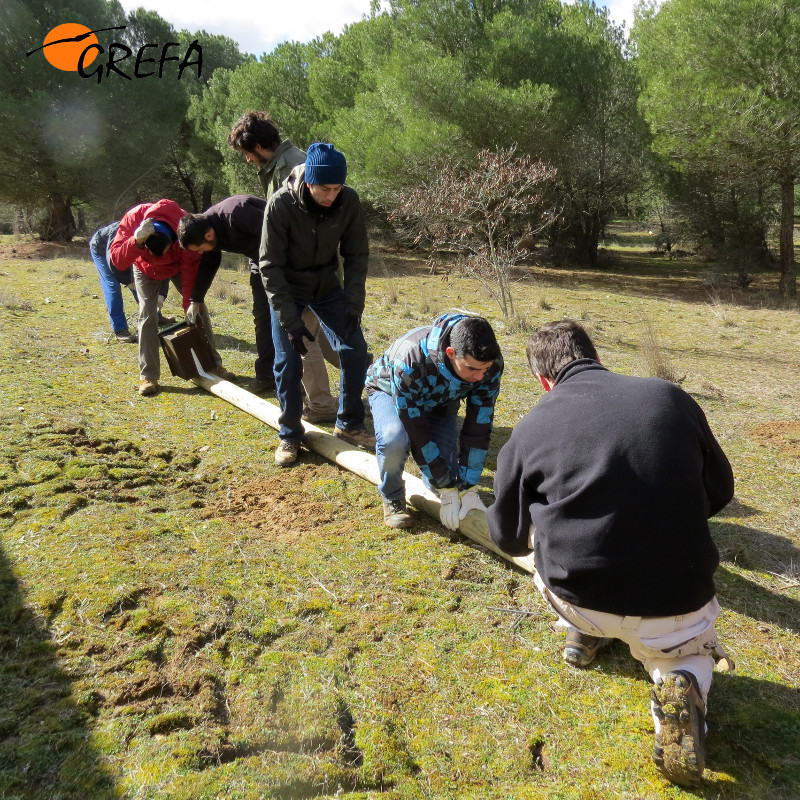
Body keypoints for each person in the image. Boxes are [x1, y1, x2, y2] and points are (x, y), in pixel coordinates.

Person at [486, 320, 735, 787]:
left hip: (580, 595)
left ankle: (581, 633)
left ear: (543, 379)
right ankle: (681, 688)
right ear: (597, 358)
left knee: (544, 533)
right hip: (678, 601)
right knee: (684, 657)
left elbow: (508, 539)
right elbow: (720, 491)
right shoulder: (670, 398)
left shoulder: (530, 427)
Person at [259, 142, 373, 467]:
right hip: (288, 288)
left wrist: (353, 305)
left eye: (337, 188)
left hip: (326, 286)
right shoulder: (280, 204)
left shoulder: (347, 201)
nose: (331, 196)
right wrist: (291, 323)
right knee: (289, 363)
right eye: (325, 187)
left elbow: (356, 255)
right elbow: (269, 266)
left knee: (354, 350)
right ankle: (289, 435)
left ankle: (349, 424)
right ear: (309, 180)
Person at [228, 110, 340, 419]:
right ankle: (381, 382)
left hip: (304, 277)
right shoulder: (281, 165)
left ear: (258, 146)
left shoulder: (294, 167)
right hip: (305, 274)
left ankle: (321, 406)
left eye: (247, 154)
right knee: (327, 339)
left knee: (305, 342)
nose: (248, 161)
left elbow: (311, 230)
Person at [365, 313, 503, 529]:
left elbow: (479, 426)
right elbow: (416, 431)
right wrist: (447, 488)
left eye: (484, 369)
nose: (479, 377)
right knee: (394, 440)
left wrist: (467, 486)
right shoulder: (410, 360)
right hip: (390, 391)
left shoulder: (488, 365)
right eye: (473, 369)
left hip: (441, 400)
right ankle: (393, 495)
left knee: (440, 480)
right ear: (451, 353)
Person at [110, 199, 235, 396]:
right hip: (144, 268)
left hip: (178, 267)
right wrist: (135, 241)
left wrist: (190, 304)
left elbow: (190, 270)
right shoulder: (134, 217)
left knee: (198, 308)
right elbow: (117, 260)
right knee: (147, 314)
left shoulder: (184, 228)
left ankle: (213, 366)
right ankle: (149, 376)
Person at [88, 221, 171, 342]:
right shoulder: (123, 231)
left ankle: (156, 317)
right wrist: (128, 282)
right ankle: (120, 330)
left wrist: (161, 295)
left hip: (125, 251)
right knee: (113, 287)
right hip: (101, 251)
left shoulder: (156, 234)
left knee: (138, 281)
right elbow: (113, 261)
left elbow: (163, 267)